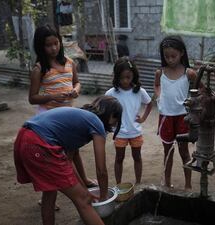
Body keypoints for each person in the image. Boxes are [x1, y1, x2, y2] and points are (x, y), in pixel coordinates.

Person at [13, 96, 122, 225]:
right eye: (116, 119)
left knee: (50, 191)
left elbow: (68, 161)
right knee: (84, 200)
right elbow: (101, 170)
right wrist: (103, 197)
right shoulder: (96, 123)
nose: (115, 124)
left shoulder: (79, 118)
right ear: (111, 115)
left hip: (24, 138)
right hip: (39, 145)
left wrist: (84, 187)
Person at [28, 25, 97, 210]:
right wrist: (52, 96)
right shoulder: (39, 68)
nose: (53, 48)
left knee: (75, 148)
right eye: (48, 45)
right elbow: (32, 98)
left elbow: (77, 82)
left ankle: (83, 180)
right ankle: (47, 197)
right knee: (55, 159)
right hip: (48, 120)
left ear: (60, 42)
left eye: (56, 43)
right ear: (40, 47)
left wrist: (75, 91)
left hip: (68, 115)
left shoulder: (69, 62)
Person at [154, 35, 198, 190]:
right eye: (166, 56)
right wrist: (159, 98)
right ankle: (167, 183)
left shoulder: (189, 73)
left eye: (173, 56)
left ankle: (188, 184)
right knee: (168, 152)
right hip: (166, 116)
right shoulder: (160, 72)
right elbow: (157, 86)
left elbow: (201, 89)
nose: (170, 59)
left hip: (183, 117)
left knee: (184, 151)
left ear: (182, 54)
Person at [105, 57, 153, 185]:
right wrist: (110, 121)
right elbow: (104, 108)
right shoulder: (112, 93)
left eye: (128, 77)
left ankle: (138, 183)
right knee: (119, 158)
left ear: (134, 76)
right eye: (121, 78)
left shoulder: (139, 91)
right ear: (116, 77)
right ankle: (118, 184)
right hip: (120, 133)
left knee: (137, 158)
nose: (125, 81)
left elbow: (149, 103)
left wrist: (143, 118)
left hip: (135, 132)